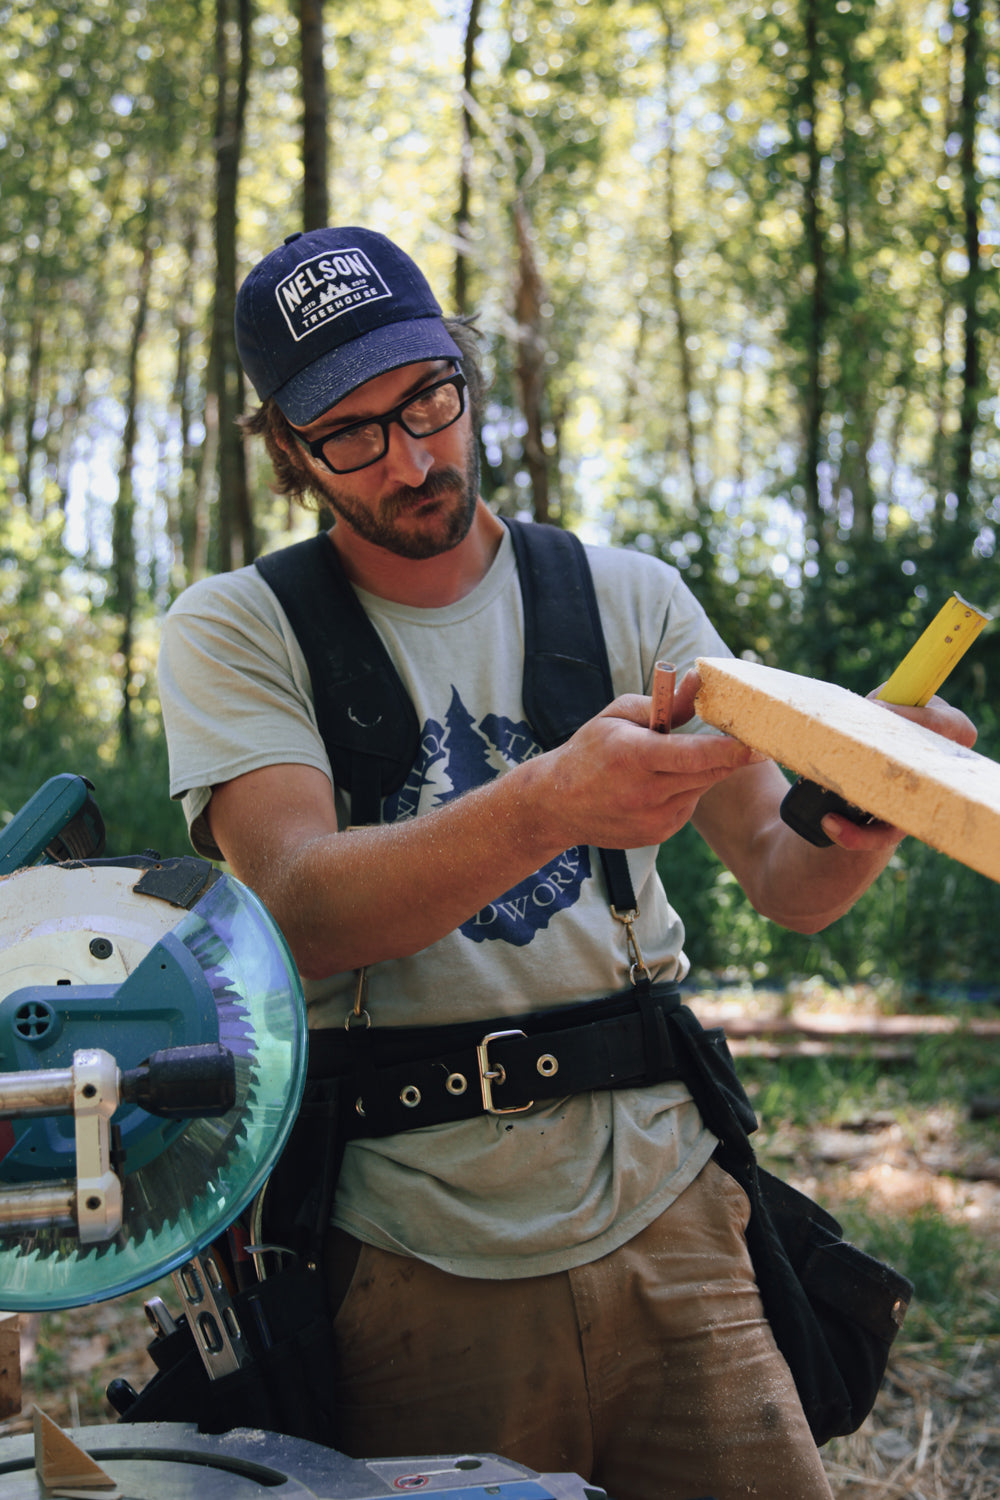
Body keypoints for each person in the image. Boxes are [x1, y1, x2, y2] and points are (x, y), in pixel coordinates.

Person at [157, 226, 976, 1500]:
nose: (414, 457)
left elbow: (786, 880)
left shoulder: (628, 599)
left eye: (428, 399)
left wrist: (848, 814)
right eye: (353, 435)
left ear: (462, 369)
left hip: (675, 1216)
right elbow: (299, 910)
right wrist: (549, 802)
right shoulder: (239, 631)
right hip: (408, 1247)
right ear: (288, 451)